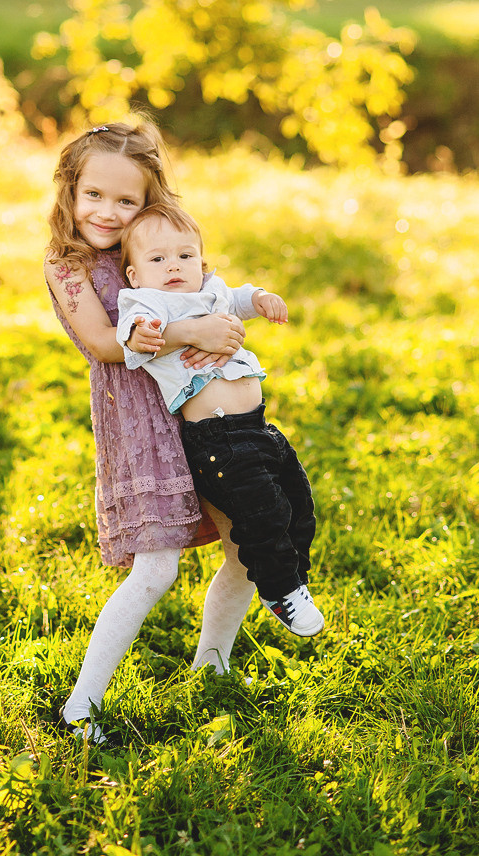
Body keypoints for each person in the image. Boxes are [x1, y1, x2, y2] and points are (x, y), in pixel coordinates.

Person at [45, 120, 256, 742]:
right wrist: (193, 333)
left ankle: (211, 667)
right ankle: (82, 705)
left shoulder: (157, 245)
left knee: (244, 543)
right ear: (69, 192)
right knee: (156, 566)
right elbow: (104, 343)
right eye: (94, 196)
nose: (107, 213)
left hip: (204, 418)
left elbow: (205, 292)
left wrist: (228, 317)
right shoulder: (69, 264)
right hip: (141, 425)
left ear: (148, 200)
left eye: (126, 200)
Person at [116, 201, 324, 638]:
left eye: (185, 256)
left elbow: (240, 297)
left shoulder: (211, 289)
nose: (174, 266)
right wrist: (144, 333)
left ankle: (293, 580)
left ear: (202, 262)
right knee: (261, 512)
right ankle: (278, 587)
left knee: (297, 504)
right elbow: (131, 333)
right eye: (158, 259)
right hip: (218, 438)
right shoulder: (146, 301)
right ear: (135, 274)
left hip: (258, 427)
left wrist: (262, 299)